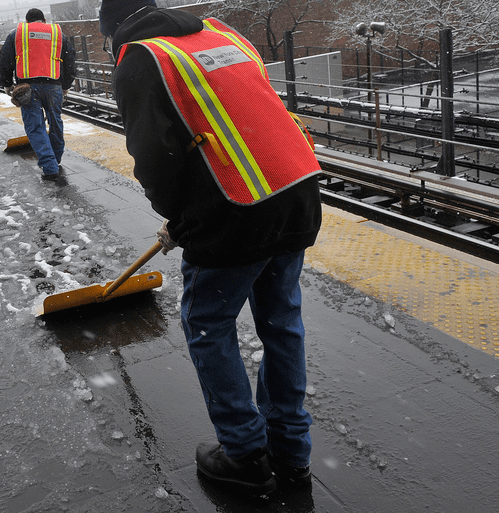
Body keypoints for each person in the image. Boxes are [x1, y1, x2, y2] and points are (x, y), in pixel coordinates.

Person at [99, 1, 323, 495]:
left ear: (111, 28)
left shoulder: (141, 57)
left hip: (237, 208)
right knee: (282, 321)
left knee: (208, 324)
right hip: (295, 189)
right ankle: (291, 451)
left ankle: (243, 453)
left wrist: (182, 219)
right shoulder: (220, 34)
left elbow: (153, 158)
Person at [0, 8, 76, 180]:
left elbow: (4, 60)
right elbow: (70, 60)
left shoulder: (18, 33)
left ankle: (49, 167)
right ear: (43, 20)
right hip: (54, 85)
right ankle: (55, 158)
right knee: (55, 122)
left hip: (28, 87)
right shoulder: (57, 32)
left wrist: (7, 84)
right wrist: (66, 85)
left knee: (35, 126)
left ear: (28, 22)